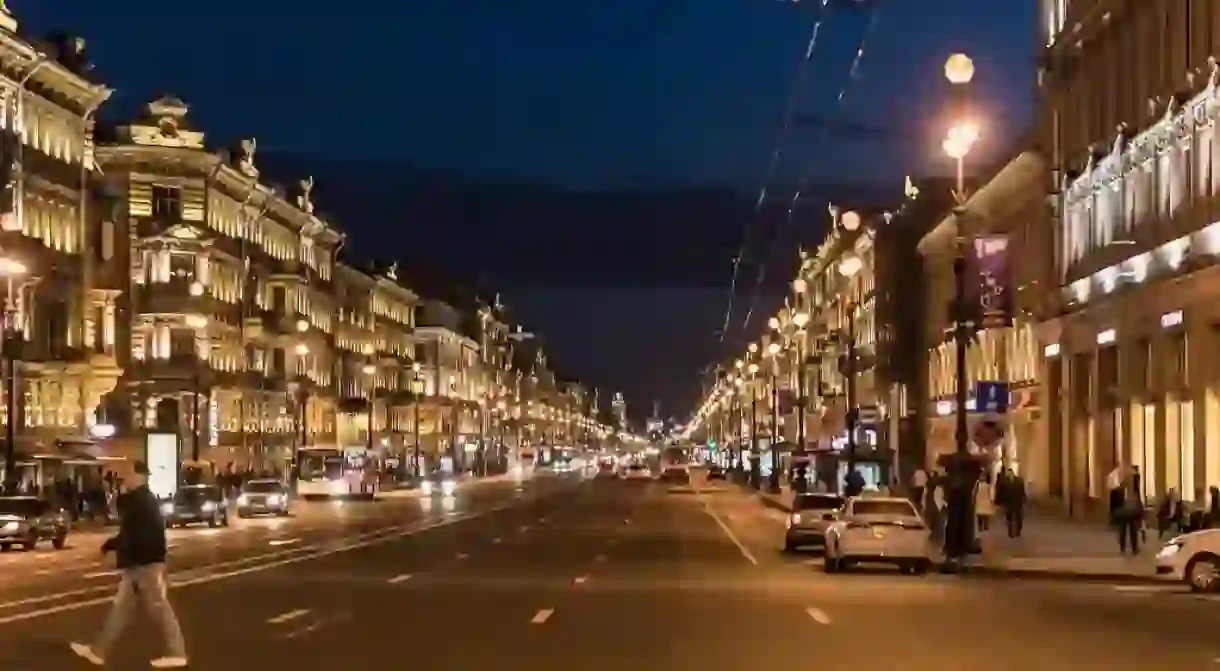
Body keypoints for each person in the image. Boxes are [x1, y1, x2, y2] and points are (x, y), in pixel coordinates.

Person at [70, 460, 187, 668]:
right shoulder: (141, 498)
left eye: (128, 474)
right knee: (121, 609)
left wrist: (111, 545)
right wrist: (110, 545)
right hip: (139, 562)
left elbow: (128, 524)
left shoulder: (141, 499)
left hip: (146, 563)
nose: (125, 478)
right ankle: (99, 651)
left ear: (139, 476)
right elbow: (128, 526)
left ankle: (177, 652)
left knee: (160, 608)